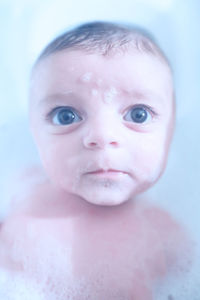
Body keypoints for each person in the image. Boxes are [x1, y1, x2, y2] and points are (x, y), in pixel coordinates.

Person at [0, 21, 190, 299]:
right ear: (35, 132)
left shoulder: (165, 234)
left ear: (171, 129)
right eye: (65, 115)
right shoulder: (19, 195)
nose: (102, 137)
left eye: (138, 114)